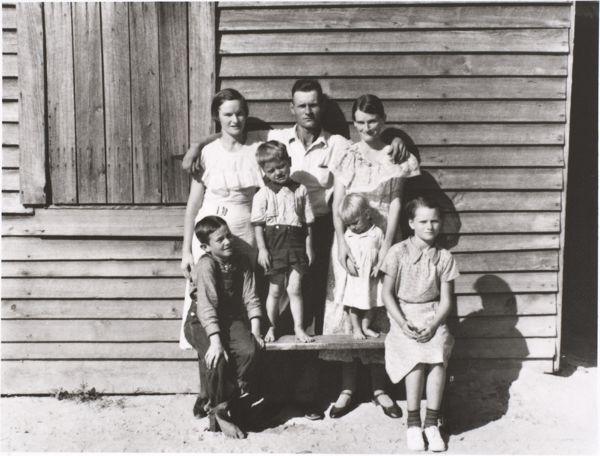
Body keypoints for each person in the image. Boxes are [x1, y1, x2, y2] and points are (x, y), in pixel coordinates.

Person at [322, 94, 420, 420]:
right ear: (354, 123)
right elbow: (337, 204)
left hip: (383, 241)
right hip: (350, 242)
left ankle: (380, 388)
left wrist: (389, 247)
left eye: (372, 121)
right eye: (360, 122)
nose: (366, 127)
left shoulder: (395, 155)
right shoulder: (348, 155)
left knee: (379, 309)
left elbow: (395, 203)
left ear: (383, 118)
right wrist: (342, 244)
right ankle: (347, 388)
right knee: (349, 306)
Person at [179, 88, 264, 416]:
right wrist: (186, 249)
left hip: (244, 232)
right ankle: (208, 393)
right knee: (207, 311)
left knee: (238, 310)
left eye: (240, 113)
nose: (235, 119)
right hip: (210, 232)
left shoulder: (257, 149)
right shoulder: (208, 153)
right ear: (218, 116)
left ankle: (238, 390)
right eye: (227, 114)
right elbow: (192, 205)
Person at [381, 196, 459, 452]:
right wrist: (402, 323)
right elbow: (387, 294)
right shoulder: (397, 252)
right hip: (404, 315)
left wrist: (435, 325)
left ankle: (431, 423)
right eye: (423, 221)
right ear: (411, 223)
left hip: (433, 316)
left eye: (435, 221)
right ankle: (413, 423)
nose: (430, 227)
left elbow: (446, 302)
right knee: (414, 358)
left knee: (436, 357)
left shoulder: (444, 257)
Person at [184, 216, 265, 439]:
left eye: (228, 235)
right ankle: (219, 413)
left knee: (250, 350)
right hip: (201, 321)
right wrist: (216, 342)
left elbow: (251, 297)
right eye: (220, 239)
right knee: (217, 359)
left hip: (229, 319)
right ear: (206, 246)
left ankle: (226, 401)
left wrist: (256, 331)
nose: (228, 241)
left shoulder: (241, 261)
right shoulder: (206, 265)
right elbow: (207, 306)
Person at [251, 140, 315, 343]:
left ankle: (298, 327)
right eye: (271, 170)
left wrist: (309, 247)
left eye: (281, 166)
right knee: (275, 290)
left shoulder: (301, 189)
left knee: (295, 288)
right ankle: (271, 327)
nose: (278, 172)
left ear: (289, 162)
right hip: (274, 244)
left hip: (296, 243)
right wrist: (262, 249)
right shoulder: (262, 194)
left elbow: (308, 222)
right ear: (263, 172)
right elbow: (258, 225)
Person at [336, 194, 385, 339]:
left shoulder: (377, 233)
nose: (352, 227)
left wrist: (379, 267)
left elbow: (383, 252)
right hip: (356, 278)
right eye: (348, 224)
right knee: (354, 305)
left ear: (367, 214)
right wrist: (348, 265)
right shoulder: (348, 235)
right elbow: (343, 256)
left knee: (373, 304)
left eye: (355, 222)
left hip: (372, 278)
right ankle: (356, 329)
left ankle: (366, 326)